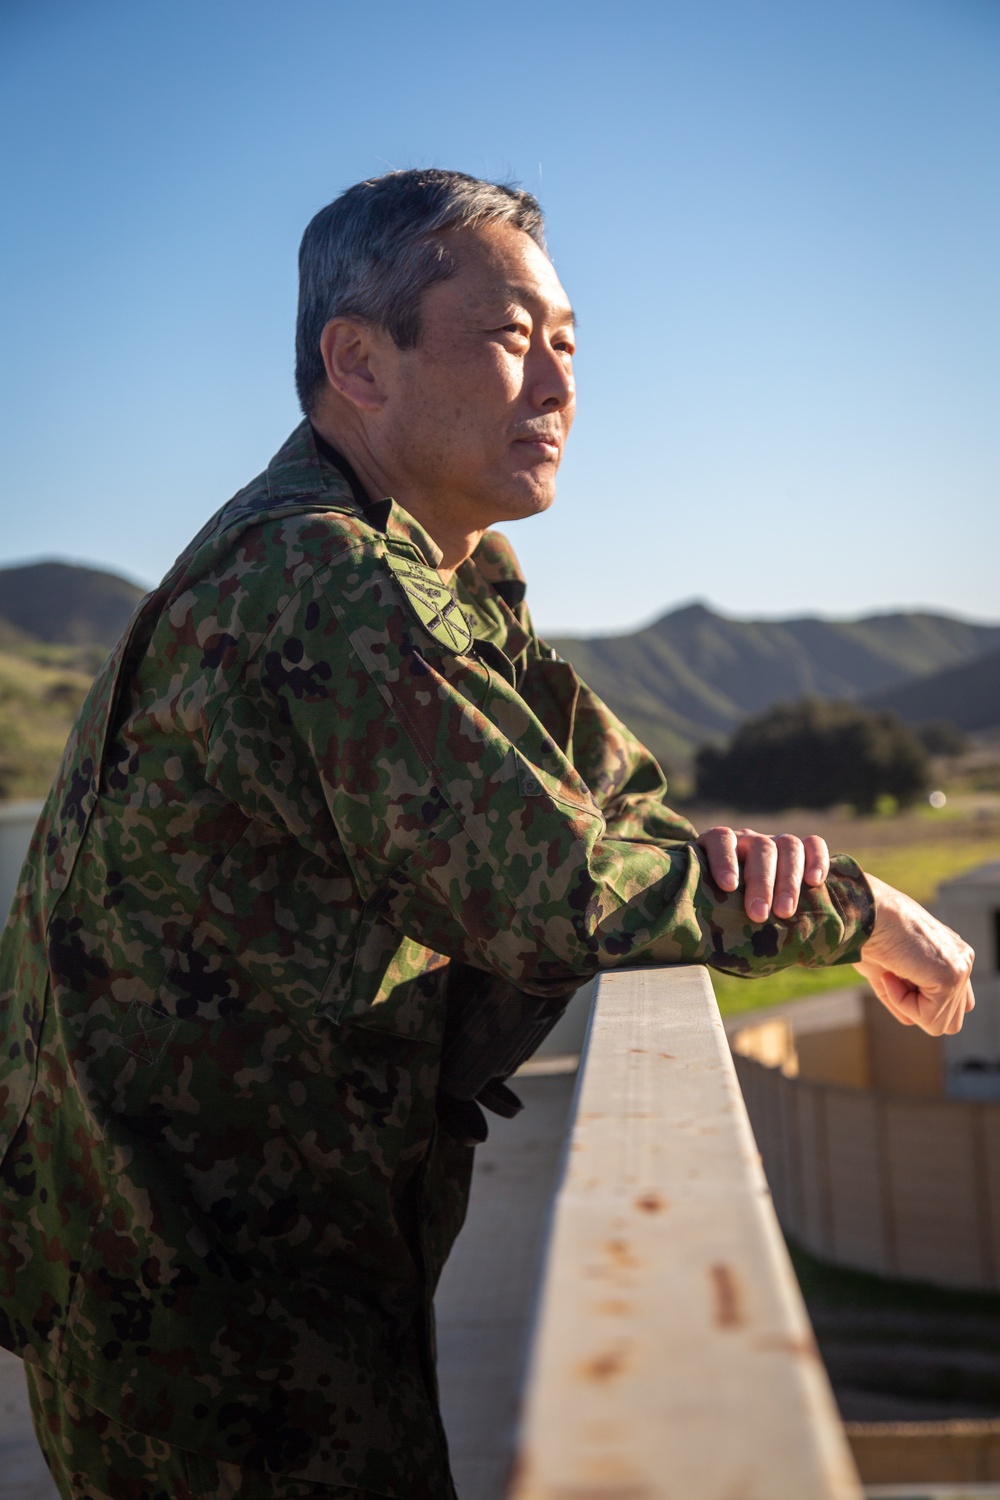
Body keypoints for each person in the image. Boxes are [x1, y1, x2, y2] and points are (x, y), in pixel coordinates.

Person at [0, 169, 973, 1500]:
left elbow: (608, 807)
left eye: (567, 344)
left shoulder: (434, 571)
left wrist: (750, 865)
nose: (561, 387)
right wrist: (850, 910)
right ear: (360, 363)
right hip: (211, 1308)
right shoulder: (319, 582)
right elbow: (553, 882)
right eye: (512, 341)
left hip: (247, 1259)